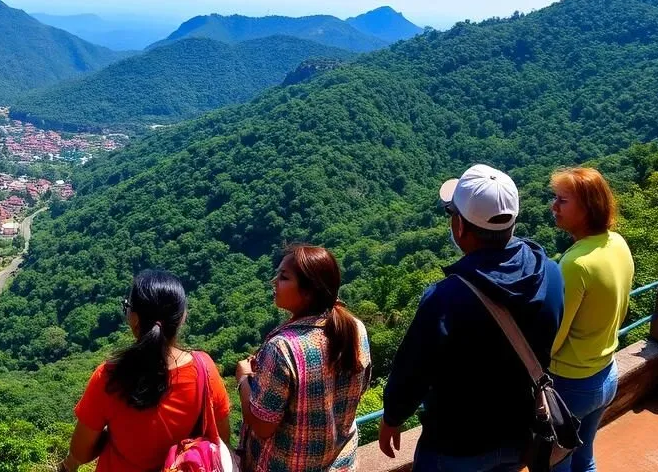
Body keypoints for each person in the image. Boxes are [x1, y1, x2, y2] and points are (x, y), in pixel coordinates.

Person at [379, 164, 564, 472]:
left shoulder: (445, 298)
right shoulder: (552, 275)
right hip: (519, 435)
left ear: (460, 227)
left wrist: (392, 417)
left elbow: (413, 371)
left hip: (454, 446)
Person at [61, 269, 231, 472]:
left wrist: (113, 435)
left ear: (133, 318)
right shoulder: (205, 369)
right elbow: (221, 438)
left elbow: (81, 452)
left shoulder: (110, 377)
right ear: (182, 317)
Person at [236, 245, 371, 472]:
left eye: (283, 277)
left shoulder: (282, 348)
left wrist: (244, 379)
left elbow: (262, 425)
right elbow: (359, 389)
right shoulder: (356, 329)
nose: (274, 281)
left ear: (309, 290)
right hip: (340, 464)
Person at [548, 167, 634, 472]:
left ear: (588, 208)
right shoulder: (617, 243)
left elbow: (554, 339)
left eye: (562, 200)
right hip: (606, 374)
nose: (553, 206)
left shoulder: (575, 264)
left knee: (555, 464)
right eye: (554, 198)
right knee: (584, 460)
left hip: (571, 385)